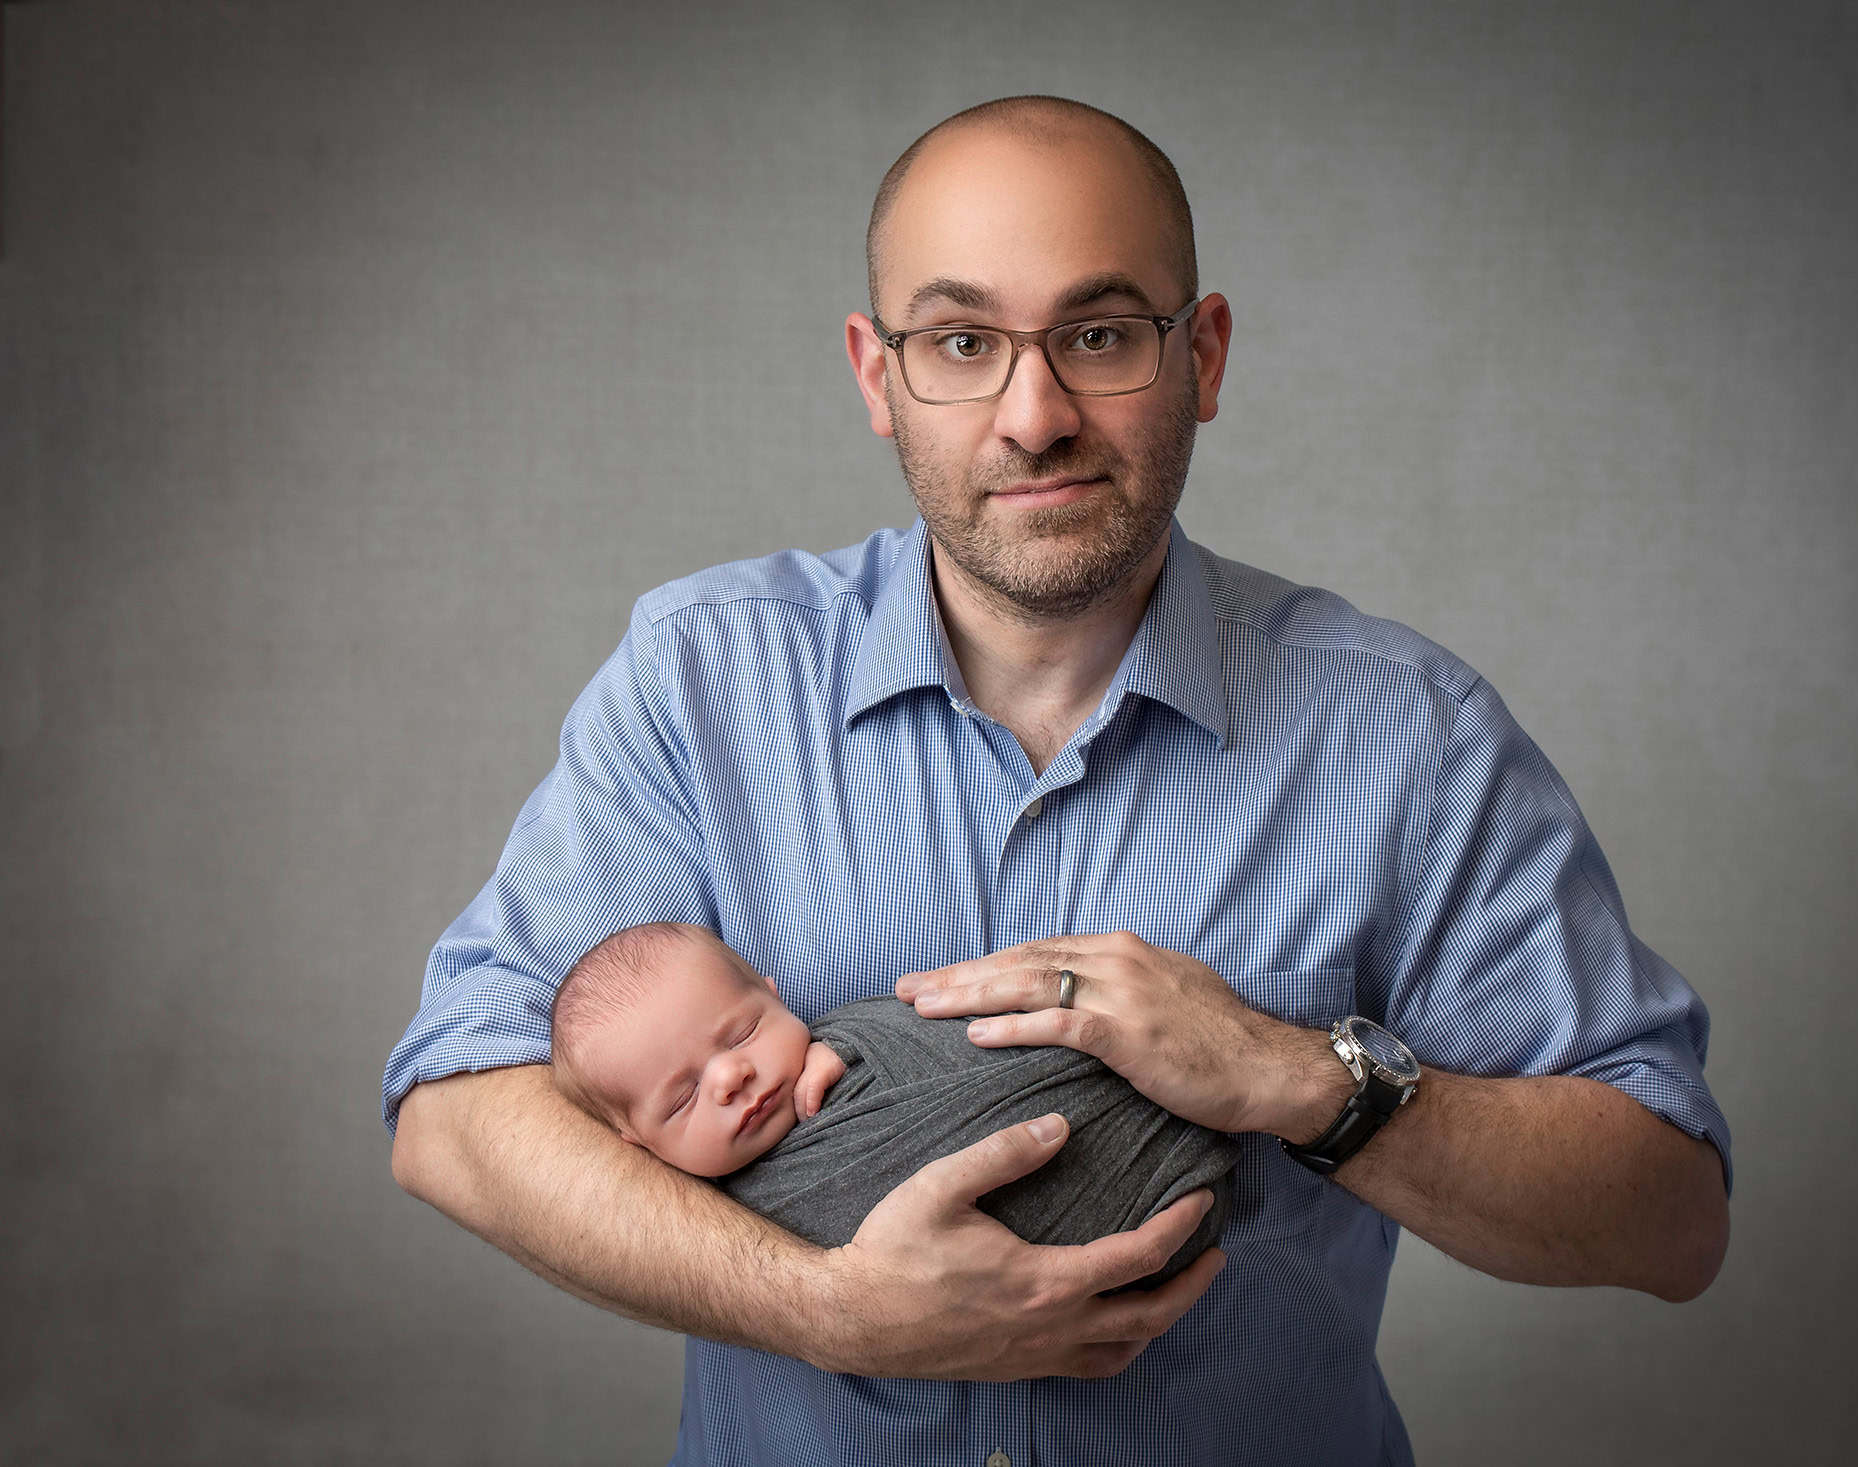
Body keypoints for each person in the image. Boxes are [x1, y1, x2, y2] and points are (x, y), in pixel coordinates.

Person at [384, 94, 1734, 1466]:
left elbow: (1672, 1219)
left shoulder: (1409, 736)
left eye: (1099, 335)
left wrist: (1292, 1073)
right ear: (876, 376)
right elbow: (454, 1118)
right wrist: (825, 1308)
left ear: (1202, 355)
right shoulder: (700, 679)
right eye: (961, 342)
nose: (1033, 418)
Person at [548, 921, 1234, 1285]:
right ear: (636, 1142)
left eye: (743, 1032)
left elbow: (920, 1026)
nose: (730, 1076)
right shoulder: (710, 1224)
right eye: (682, 1098)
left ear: (774, 993)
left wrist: (851, 1043)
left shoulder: (854, 1038)